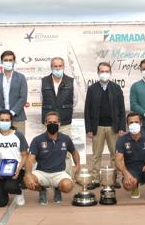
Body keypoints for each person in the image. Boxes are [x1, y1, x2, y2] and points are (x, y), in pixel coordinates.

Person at [40, 57, 78, 201]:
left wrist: (62, 112)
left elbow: (74, 102)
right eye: (55, 66)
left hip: (65, 122)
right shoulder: (44, 81)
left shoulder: (70, 81)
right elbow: (42, 99)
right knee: (45, 153)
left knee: (65, 155)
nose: (57, 68)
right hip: (48, 123)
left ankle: (60, 187)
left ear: (64, 67)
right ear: (51, 67)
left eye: (60, 66)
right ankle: (43, 188)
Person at [23, 111, 81, 205]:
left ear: (59, 124)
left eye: (55, 122)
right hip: (41, 173)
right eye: (50, 122)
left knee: (68, 186)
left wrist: (78, 165)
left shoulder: (65, 139)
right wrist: (28, 174)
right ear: (45, 123)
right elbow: (30, 159)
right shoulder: (37, 140)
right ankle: (42, 190)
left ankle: (58, 189)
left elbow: (74, 152)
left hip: (59, 173)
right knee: (26, 180)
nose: (52, 124)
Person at [84, 62, 126, 189]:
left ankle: (114, 179)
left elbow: (122, 109)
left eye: (107, 71)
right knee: (96, 155)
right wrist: (89, 129)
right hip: (98, 128)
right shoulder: (92, 89)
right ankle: (95, 179)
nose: (104, 73)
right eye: (102, 71)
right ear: (98, 73)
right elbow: (87, 110)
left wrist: (122, 127)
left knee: (115, 154)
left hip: (113, 127)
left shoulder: (116, 88)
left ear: (110, 73)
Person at [115, 112, 145, 203]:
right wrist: (126, 174)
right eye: (131, 122)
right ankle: (134, 187)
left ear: (141, 123)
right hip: (132, 170)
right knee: (128, 186)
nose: (134, 124)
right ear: (127, 125)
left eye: (136, 122)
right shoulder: (122, 139)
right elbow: (118, 160)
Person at [0, 109, 29, 207]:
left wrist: (18, 170)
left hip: (16, 170)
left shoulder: (18, 135)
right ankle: (3, 189)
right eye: (2, 120)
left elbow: (25, 155)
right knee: (0, 203)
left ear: (11, 121)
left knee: (10, 187)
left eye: (7, 120)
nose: (4, 122)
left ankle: (19, 191)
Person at [0, 50, 28, 135]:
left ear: (14, 61)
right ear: (2, 61)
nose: (8, 62)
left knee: (18, 144)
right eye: (5, 60)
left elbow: (23, 97)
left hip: (17, 118)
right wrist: (1, 114)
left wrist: (12, 112)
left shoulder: (21, 78)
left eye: (10, 60)